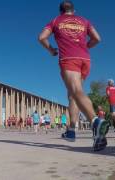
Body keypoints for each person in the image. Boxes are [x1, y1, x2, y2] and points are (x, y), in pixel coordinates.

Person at [38, 1, 109, 151]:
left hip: (69, 59)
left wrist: (51, 50)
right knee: (73, 95)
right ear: (73, 10)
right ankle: (71, 130)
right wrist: (85, 47)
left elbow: (41, 37)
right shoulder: (84, 21)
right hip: (85, 60)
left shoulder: (56, 21)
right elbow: (97, 38)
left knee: (76, 91)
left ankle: (95, 121)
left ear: (60, 11)